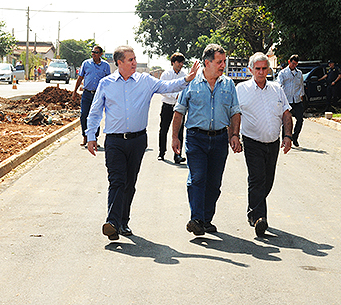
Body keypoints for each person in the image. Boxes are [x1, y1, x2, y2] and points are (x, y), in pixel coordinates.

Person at [86, 45, 199, 240]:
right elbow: (95, 111)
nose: (134, 63)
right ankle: (112, 222)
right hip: (114, 141)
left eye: (135, 59)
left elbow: (167, 87)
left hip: (138, 141)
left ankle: (123, 222)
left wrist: (187, 79)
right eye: (130, 60)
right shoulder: (106, 84)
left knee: (130, 183)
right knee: (117, 181)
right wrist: (91, 136)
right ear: (119, 62)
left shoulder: (145, 81)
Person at [172, 44, 242, 236]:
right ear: (207, 62)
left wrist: (234, 135)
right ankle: (196, 218)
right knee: (198, 178)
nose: (223, 66)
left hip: (219, 139)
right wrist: (175, 137)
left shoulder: (228, 84)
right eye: (219, 62)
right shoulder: (191, 83)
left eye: (224, 62)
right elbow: (179, 111)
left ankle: (205, 219)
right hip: (196, 138)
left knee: (214, 182)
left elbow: (235, 112)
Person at [236, 52, 293, 237]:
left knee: (268, 180)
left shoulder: (277, 89)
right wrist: (234, 135)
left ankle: (253, 210)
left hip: (273, 143)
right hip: (252, 141)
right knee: (257, 178)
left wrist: (288, 136)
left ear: (269, 69)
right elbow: (235, 115)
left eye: (264, 68)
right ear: (250, 70)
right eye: (257, 69)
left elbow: (286, 114)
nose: (261, 72)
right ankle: (260, 218)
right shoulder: (241, 90)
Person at [73, 46, 111, 146]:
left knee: (96, 116)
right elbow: (80, 77)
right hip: (86, 93)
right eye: (92, 52)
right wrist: (74, 92)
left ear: (101, 54)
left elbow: (108, 82)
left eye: (96, 52)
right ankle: (85, 137)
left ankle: (94, 139)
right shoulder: (86, 63)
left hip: (98, 95)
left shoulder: (105, 66)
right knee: (84, 115)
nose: (93, 54)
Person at [158, 52, 187, 164]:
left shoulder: (184, 75)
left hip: (179, 108)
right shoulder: (166, 74)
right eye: (179, 62)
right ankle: (161, 153)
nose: (181, 64)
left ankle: (178, 155)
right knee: (164, 129)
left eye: (182, 63)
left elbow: (185, 89)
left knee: (179, 132)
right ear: (173, 63)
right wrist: (175, 95)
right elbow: (163, 90)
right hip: (167, 105)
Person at [277, 54, 305, 147]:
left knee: (300, 120)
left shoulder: (299, 73)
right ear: (289, 62)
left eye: (296, 64)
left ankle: (295, 137)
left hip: (296, 100)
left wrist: (302, 97)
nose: (294, 66)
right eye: (293, 63)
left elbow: (301, 85)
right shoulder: (283, 73)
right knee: (286, 121)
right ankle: (284, 139)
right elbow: (279, 86)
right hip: (287, 101)